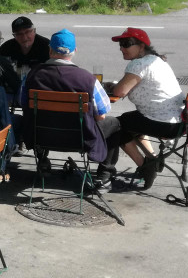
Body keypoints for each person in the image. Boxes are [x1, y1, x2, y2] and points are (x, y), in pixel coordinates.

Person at [20, 29, 121, 186]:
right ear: (74, 51)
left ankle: (42, 160)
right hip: (80, 139)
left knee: (40, 117)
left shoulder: (32, 75)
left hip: (41, 136)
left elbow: (23, 104)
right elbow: (101, 115)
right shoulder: (88, 79)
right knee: (114, 123)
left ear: (50, 50)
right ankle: (104, 174)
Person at [106, 27, 184, 188]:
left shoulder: (138, 64)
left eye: (126, 44)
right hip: (178, 123)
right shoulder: (157, 61)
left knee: (115, 126)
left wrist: (110, 87)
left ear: (141, 46)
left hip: (162, 123)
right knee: (131, 120)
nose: (122, 48)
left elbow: (120, 91)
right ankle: (152, 157)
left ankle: (145, 166)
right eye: (120, 44)